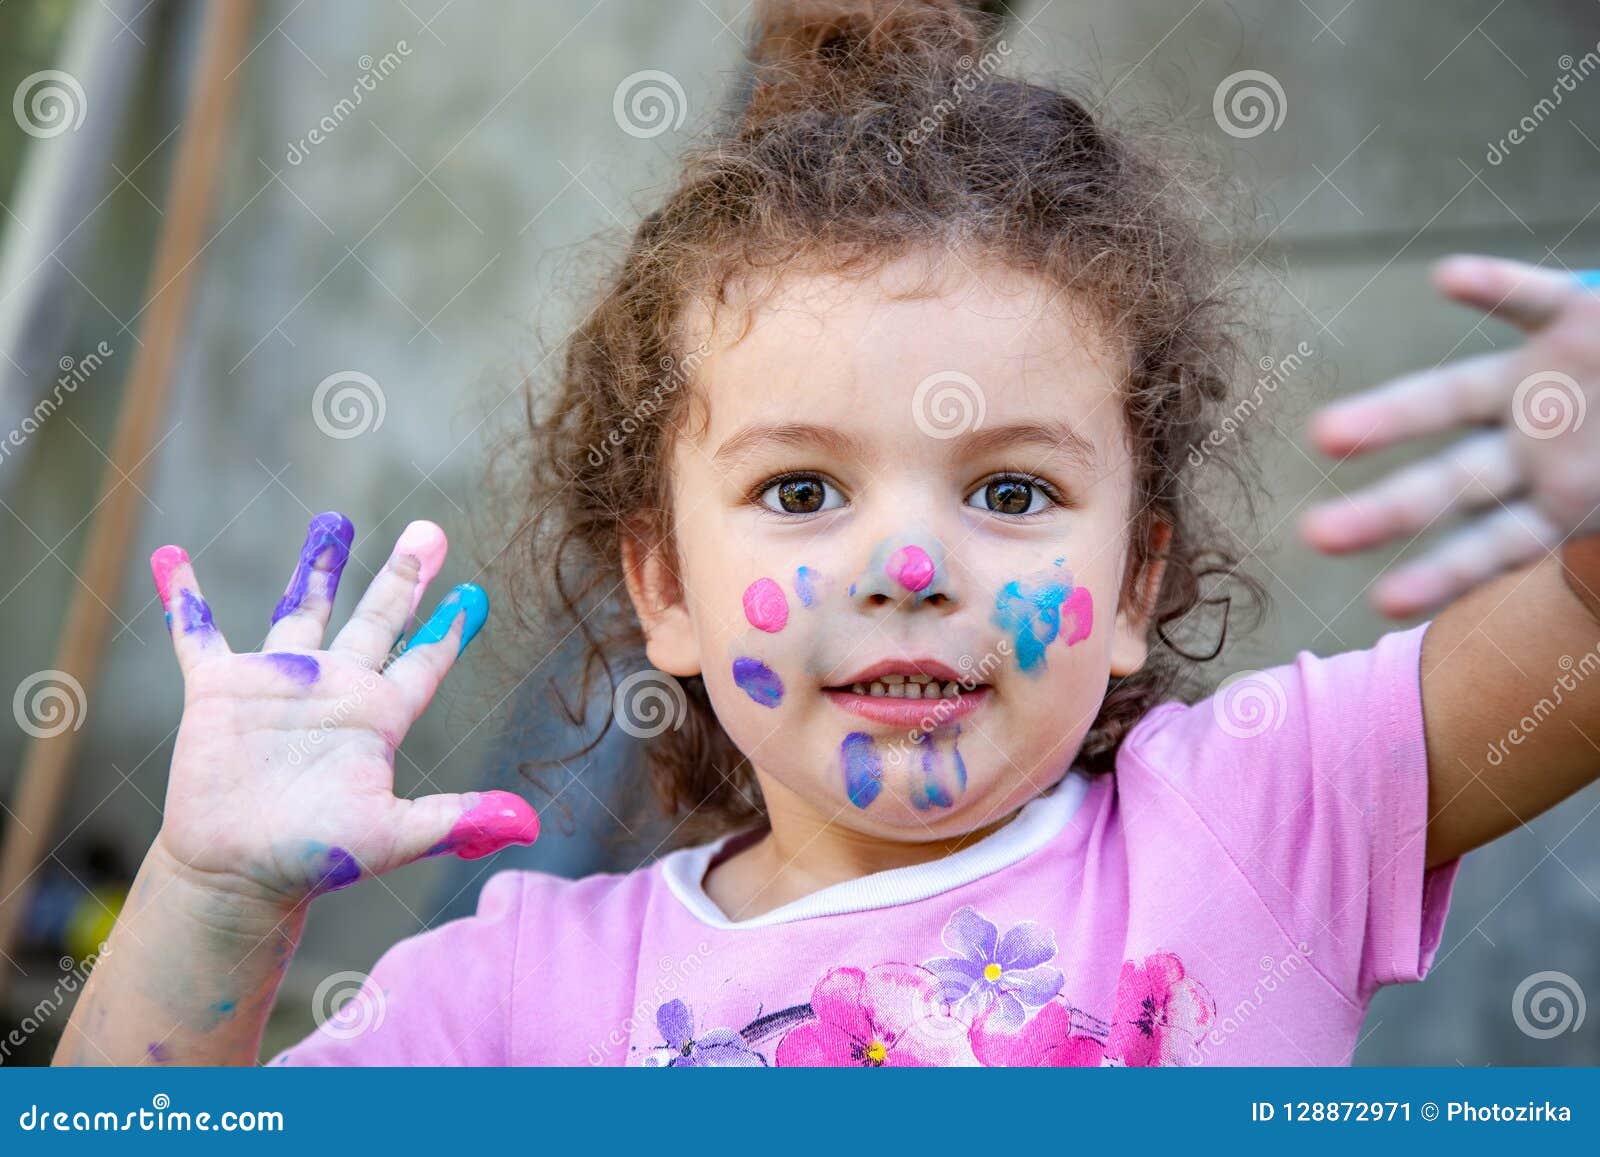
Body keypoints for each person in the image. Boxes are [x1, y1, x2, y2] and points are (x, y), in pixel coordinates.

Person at [56, 0, 1600, 1067]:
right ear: (664, 583)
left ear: (1134, 580)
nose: (906, 567)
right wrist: (210, 891)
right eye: (802, 491)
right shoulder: (525, 996)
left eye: (1010, 492)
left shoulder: (1261, 822)